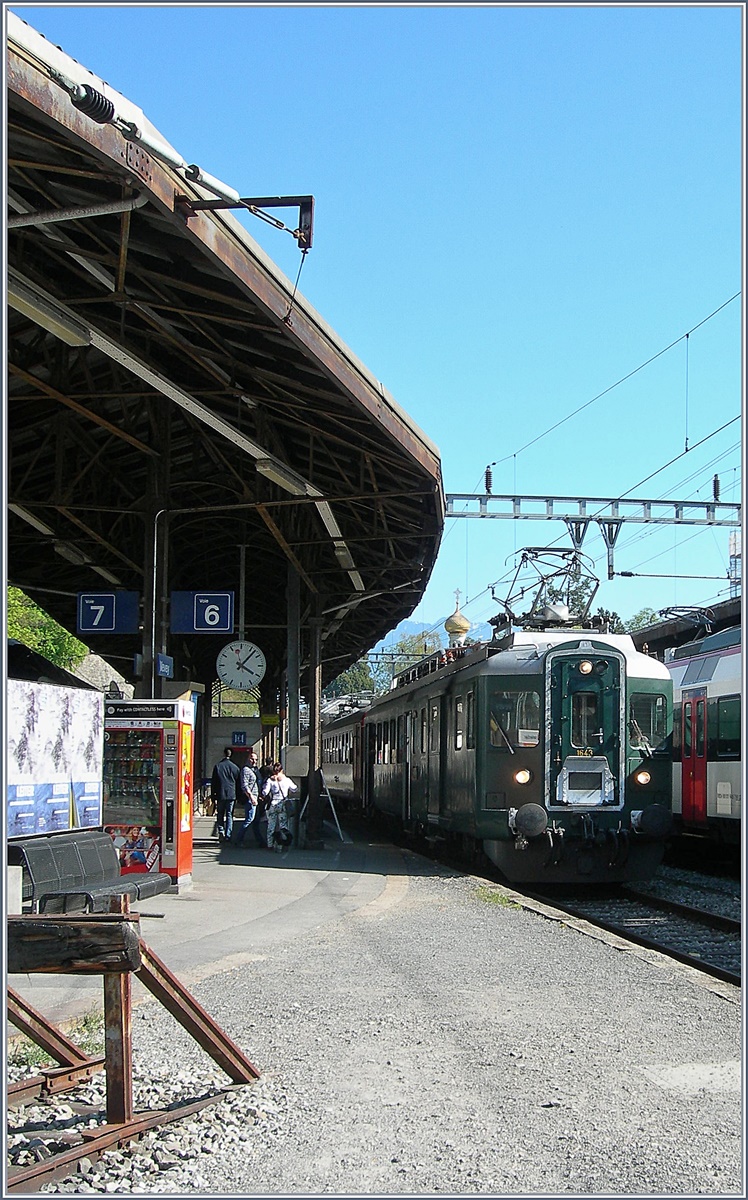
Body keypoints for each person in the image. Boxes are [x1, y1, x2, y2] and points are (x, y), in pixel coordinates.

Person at [261, 761, 297, 852]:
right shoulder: (286, 780)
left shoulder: (270, 780)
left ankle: (270, 845)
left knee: (271, 825)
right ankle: (282, 845)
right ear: (282, 770)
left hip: (273, 804)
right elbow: (294, 788)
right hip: (283, 804)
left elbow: (265, 792)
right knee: (283, 825)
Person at [210, 748, 241, 843]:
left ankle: (221, 831)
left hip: (220, 794)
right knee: (229, 815)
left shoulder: (218, 766)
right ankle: (228, 834)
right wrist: (238, 796)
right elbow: (238, 783)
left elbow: (214, 783)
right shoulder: (235, 767)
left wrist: (213, 795)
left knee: (220, 814)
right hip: (232, 794)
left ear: (224, 754)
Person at [236, 750, 265, 847]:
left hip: (256, 797)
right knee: (249, 819)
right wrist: (251, 797)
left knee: (256, 820)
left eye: (256, 759)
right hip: (250, 798)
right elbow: (244, 785)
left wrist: (259, 795)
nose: (254, 761)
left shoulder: (255, 770)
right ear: (248, 759)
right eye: (252, 759)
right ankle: (239, 840)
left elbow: (258, 783)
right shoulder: (246, 770)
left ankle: (260, 840)